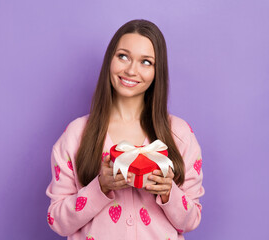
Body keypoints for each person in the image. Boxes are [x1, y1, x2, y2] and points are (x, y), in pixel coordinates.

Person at [46, 19, 204, 240]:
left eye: (146, 62)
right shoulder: (76, 134)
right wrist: (100, 187)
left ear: (158, 71)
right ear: (110, 59)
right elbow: (57, 221)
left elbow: (192, 219)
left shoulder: (180, 133)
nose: (131, 70)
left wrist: (168, 192)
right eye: (123, 56)